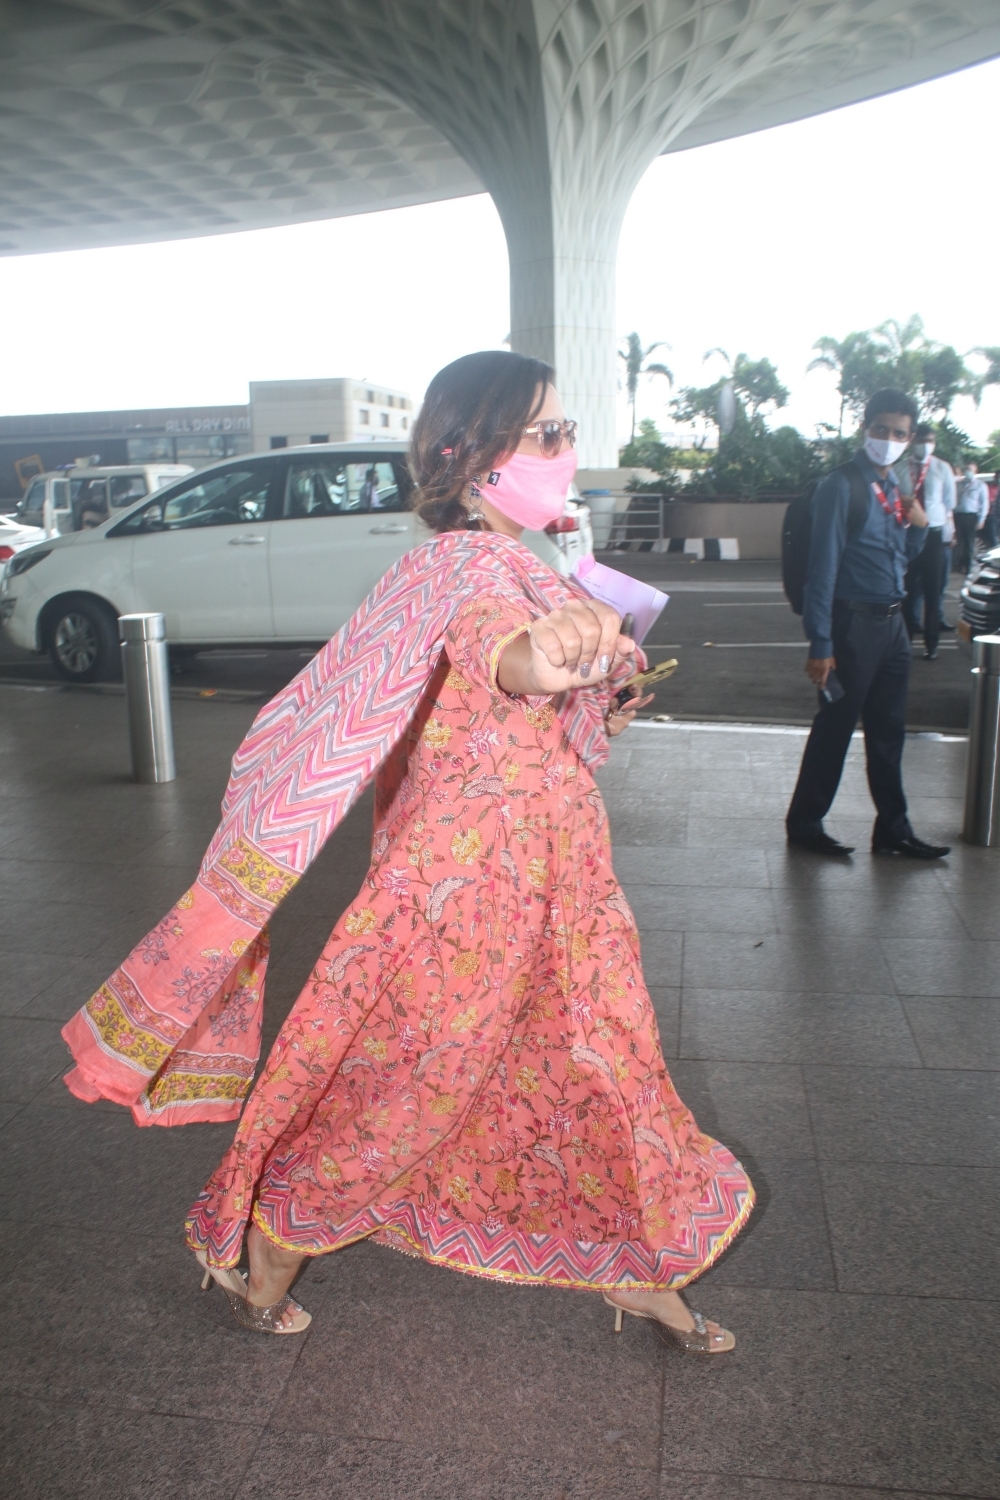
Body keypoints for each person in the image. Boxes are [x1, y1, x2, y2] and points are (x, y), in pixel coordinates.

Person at [61, 351, 752, 1352]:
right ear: (470, 458)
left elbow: (520, 704)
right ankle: (264, 1252)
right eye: (545, 435)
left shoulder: (530, 564)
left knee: (613, 1071)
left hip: (557, 883)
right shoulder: (467, 566)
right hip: (462, 900)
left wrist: (596, 683)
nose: (566, 451)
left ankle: (640, 1266)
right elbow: (497, 650)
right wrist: (543, 656)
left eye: (565, 432)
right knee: (400, 1092)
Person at [786, 388, 950, 860]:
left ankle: (893, 829)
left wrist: (920, 528)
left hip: (893, 625)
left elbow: (901, 558)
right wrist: (821, 643)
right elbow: (823, 569)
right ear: (866, 429)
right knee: (835, 726)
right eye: (881, 429)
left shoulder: (893, 486)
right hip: (852, 624)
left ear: (911, 437)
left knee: (889, 729)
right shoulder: (842, 486)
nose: (889, 439)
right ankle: (805, 823)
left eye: (899, 433)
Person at [898, 424, 954, 660]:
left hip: (933, 534)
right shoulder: (899, 469)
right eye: (921, 439)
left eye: (930, 440)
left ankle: (932, 643)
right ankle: (905, 641)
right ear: (912, 440)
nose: (925, 444)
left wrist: (950, 534)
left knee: (933, 591)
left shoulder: (942, 468)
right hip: (908, 533)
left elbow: (949, 503)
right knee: (908, 590)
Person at [954, 459, 990, 575]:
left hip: (971, 517)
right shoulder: (959, 484)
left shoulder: (980, 485)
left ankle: (968, 567)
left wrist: (981, 519)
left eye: (969, 469)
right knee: (958, 542)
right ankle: (958, 565)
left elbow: (984, 503)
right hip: (958, 516)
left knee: (969, 543)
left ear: (975, 471)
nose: (966, 471)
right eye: (966, 469)